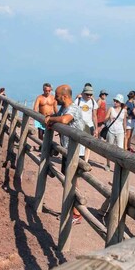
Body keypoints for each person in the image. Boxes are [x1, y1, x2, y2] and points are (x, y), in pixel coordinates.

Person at [45, 84, 88, 225]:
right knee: (68, 181)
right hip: (67, 150)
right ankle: (72, 210)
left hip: (75, 152)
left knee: (71, 182)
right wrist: (50, 118)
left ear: (64, 96)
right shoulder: (64, 108)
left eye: (57, 96)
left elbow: (64, 120)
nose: (55, 99)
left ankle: (76, 213)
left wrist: (51, 120)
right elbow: (58, 117)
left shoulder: (73, 108)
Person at [102, 94, 127, 171]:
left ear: (121, 102)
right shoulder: (111, 109)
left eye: (117, 101)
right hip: (111, 131)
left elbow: (124, 122)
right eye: (114, 101)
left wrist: (125, 132)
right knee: (109, 148)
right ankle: (108, 164)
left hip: (120, 131)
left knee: (120, 149)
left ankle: (119, 166)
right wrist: (109, 117)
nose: (115, 102)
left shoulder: (124, 111)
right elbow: (104, 120)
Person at [74, 83, 98, 160]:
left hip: (89, 125)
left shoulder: (93, 102)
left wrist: (96, 128)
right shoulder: (78, 100)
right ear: (83, 93)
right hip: (79, 125)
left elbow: (94, 116)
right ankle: (78, 158)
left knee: (88, 144)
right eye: (87, 94)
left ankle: (86, 161)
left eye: (90, 94)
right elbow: (73, 112)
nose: (89, 96)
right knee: (79, 143)